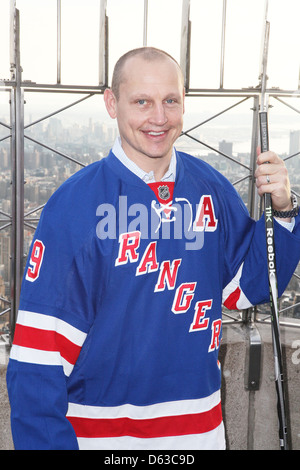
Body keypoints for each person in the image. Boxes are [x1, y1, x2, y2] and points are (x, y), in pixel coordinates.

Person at [6, 47, 300, 450]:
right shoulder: (72, 207)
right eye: (141, 101)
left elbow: (250, 286)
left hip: (200, 434)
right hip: (102, 439)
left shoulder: (210, 187)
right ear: (112, 103)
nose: (158, 118)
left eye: (170, 101)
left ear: (183, 103)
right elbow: (38, 360)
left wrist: (284, 210)